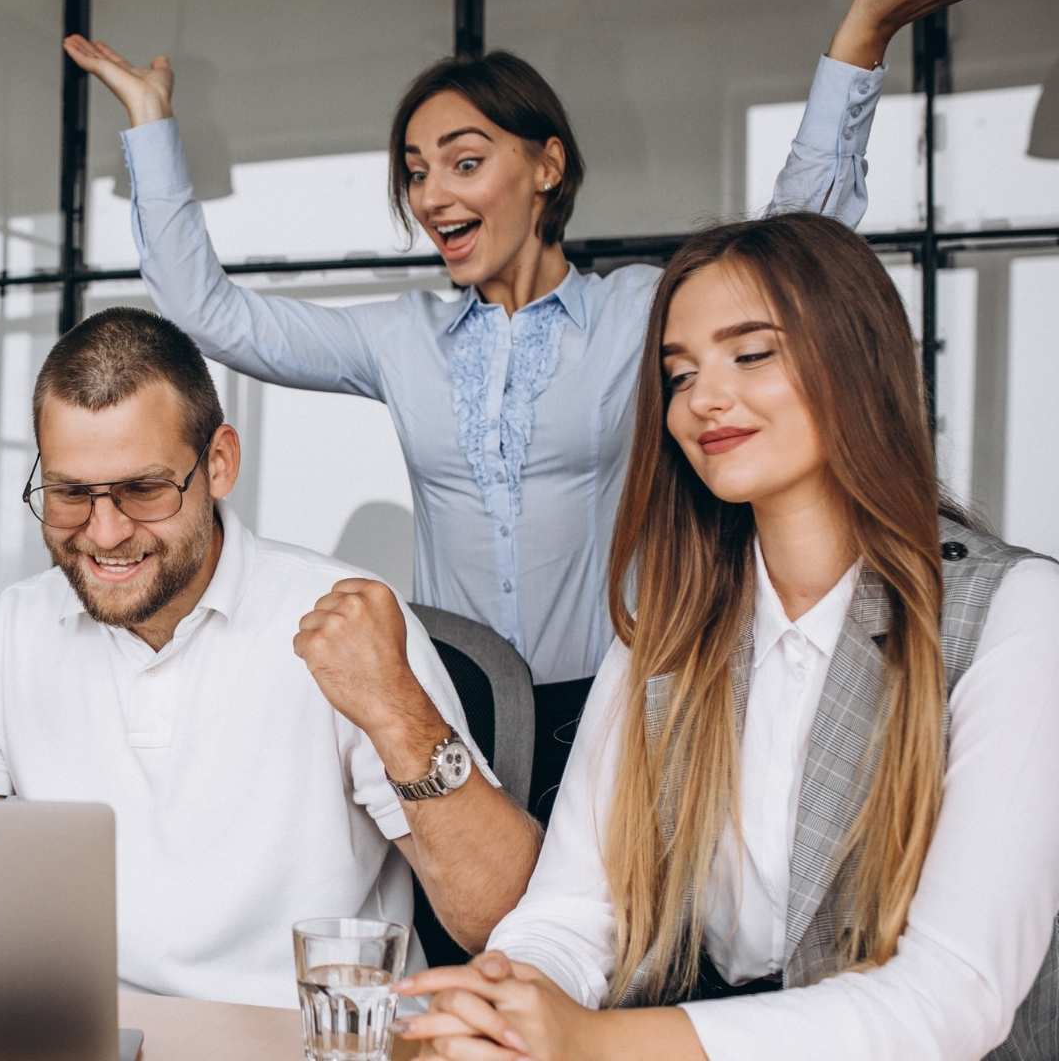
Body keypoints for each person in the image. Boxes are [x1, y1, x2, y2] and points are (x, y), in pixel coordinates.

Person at [65, 0, 1024, 820]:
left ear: (548, 167)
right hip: (453, 702)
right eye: (415, 169)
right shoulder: (399, 340)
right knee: (467, 943)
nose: (433, 192)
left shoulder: (638, 314)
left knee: (604, 957)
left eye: (465, 160)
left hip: (624, 700)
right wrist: (150, 126)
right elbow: (212, 314)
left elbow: (790, 247)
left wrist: (861, 32)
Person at [393, 212, 1059, 1060]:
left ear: (856, 358)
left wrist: (595, 1043)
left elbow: (950, 998)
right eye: (679, 374)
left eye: (752, 354)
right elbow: (576, 910)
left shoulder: (1015, 611)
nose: (704, 398)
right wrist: (504, 1000)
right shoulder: (670, 626)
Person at [0, 306, 541, 1009]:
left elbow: (498, 919)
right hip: (83, 1036)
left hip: (299, 1042)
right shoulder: (11, 632)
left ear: (218, 463)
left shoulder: (342, 617)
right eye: (70, 493)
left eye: (143, 490)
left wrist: (400, 717)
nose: (104, 532)